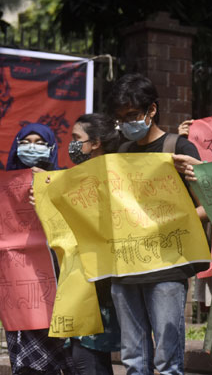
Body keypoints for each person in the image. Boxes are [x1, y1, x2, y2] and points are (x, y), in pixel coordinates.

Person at [107, 73, 206, 375]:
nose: (126, 124)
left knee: (167, 358)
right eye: (120, 119)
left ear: (152, 110)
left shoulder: (178, 148)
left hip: (168, 264)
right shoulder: (121, 153)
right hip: (127, 266)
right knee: (133, 357)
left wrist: (169, 222)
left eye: (133, 116)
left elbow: (209, 205)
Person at [5, 123, 75, 375]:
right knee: (23, 356)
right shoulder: (3, 187)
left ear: (50, 149)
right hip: (16, 283)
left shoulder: (62, 182)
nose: (32, 147)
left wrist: (49, 193)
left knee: (55, 352)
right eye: (26, 141)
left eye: (39, 142)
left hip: (54, 279)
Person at [66, 113, 122, 375]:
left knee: (89, 357)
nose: (73, 144)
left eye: (77, 139)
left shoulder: (117, 175)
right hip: (78, 280)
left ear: (96, 142)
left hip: (104, 283)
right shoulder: (73, 177)